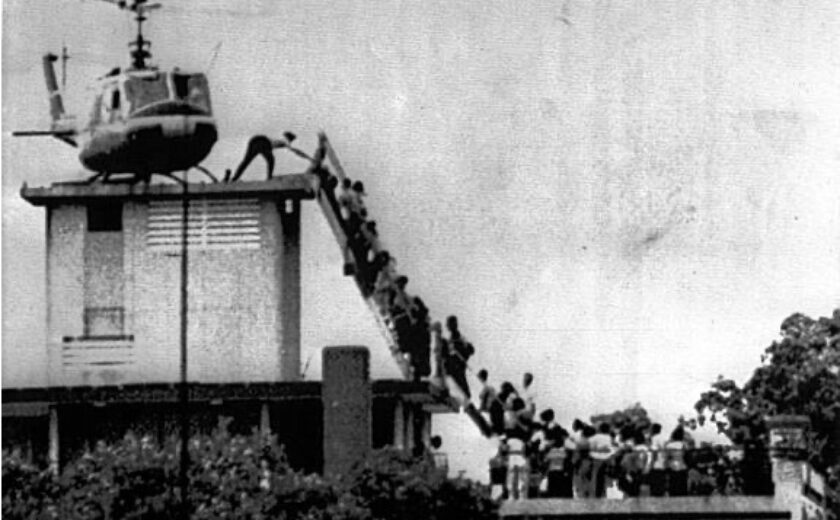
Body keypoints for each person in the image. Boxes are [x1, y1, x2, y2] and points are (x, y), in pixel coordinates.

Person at [443, 315, 474, 400]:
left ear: (453, 324)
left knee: (459, 382)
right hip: (455, 365)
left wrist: (461, 356)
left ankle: (465, 397)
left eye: (448, 324)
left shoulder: (458, 337)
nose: (446, 326)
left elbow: (470, 349)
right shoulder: (454, 337)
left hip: (457, 365)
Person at [589, 422, 615, 498]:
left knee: (596, 479)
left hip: (596, 460)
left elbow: (590, 448)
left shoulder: (594, 437)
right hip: (607, 460)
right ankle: (604, 493)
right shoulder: (609, 438)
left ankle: (597, 494)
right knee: (604, 479)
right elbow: (611, 449)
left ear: (599, 429)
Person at [664, 426, 688, 496]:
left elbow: (667, 456)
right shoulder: (684, 444)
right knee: (682, 487)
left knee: (673, 486)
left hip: (672, 466)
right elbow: (686, 455)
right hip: (682, 466)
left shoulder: (668, 445)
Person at [647, 423, 667, 496]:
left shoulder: (654, 438)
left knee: (655, 487)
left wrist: (650, 464)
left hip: (655, 465)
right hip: (663, 463)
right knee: (661, 485)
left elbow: (654, 452)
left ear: (653, 430)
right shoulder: (664, 438)